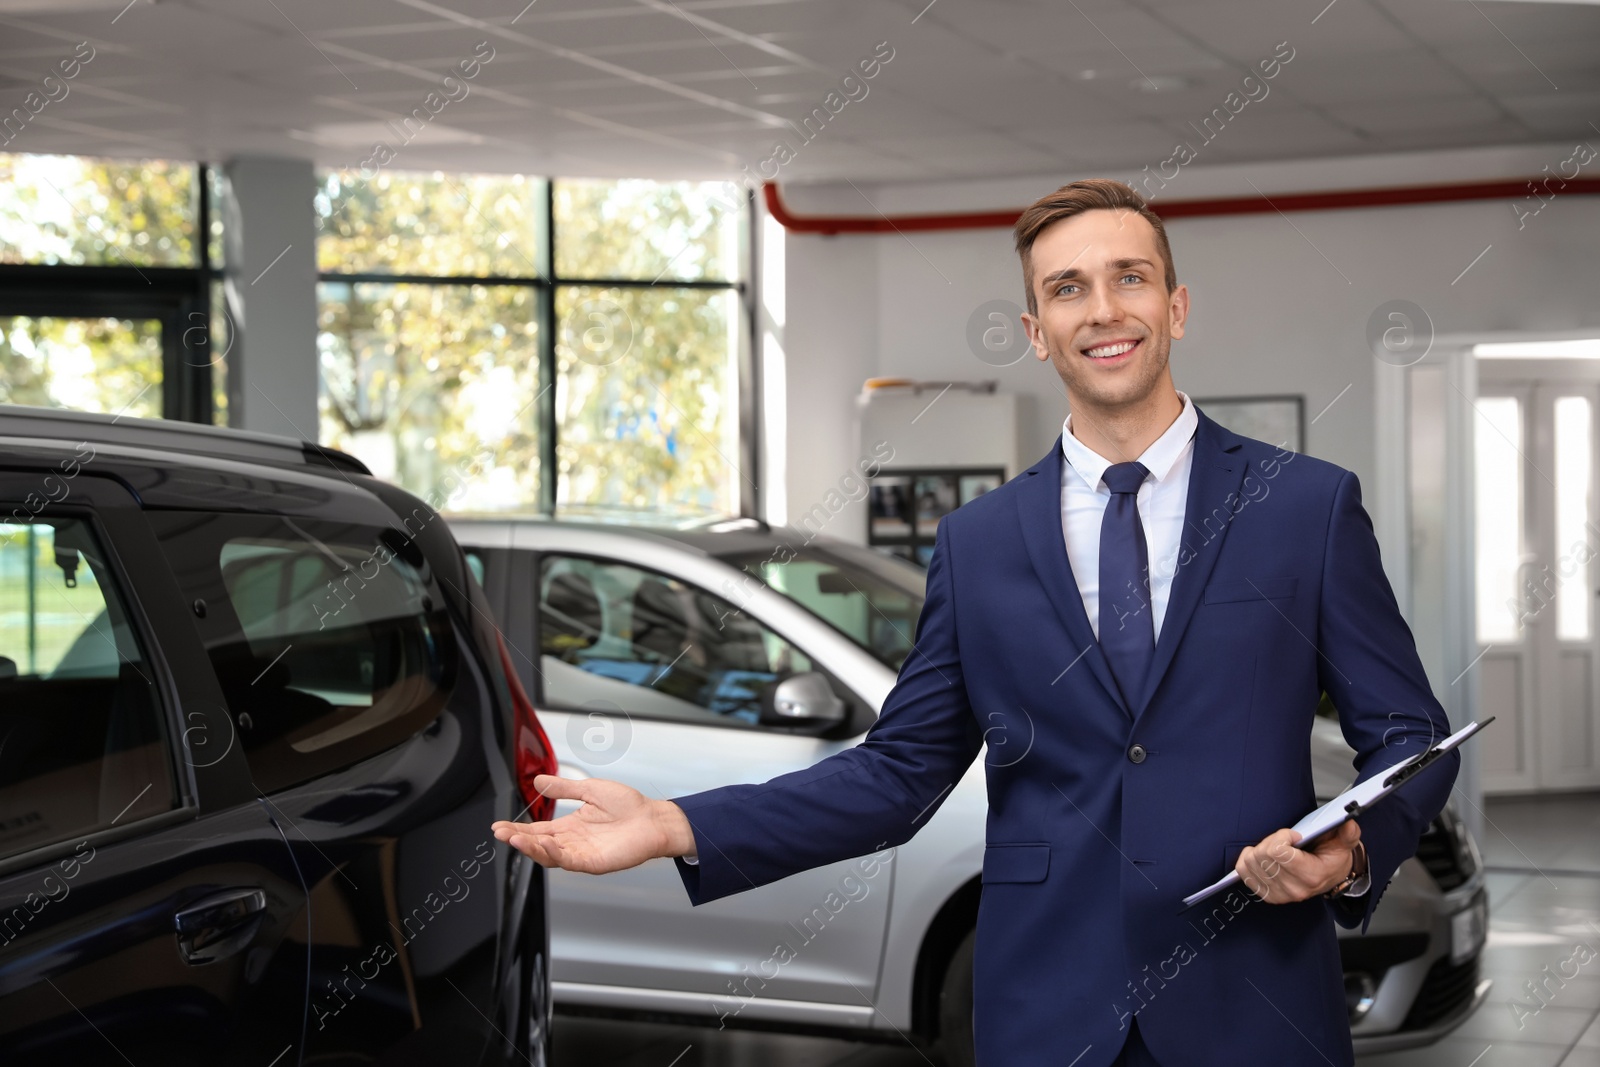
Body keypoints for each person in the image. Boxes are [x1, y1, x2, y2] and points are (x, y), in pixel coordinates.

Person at [492, 178, 1458, 1067]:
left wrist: (1352, 847)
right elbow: (900, 771)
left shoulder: (1304, 506)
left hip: (1255, 1002)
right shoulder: (979, 543)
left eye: (1131, 278)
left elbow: (1409, 734)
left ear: (1176, 305)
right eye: (1069, 288)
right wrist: (674, 822)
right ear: (1037, 330)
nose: (1105, 309)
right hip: (1047, 1011)